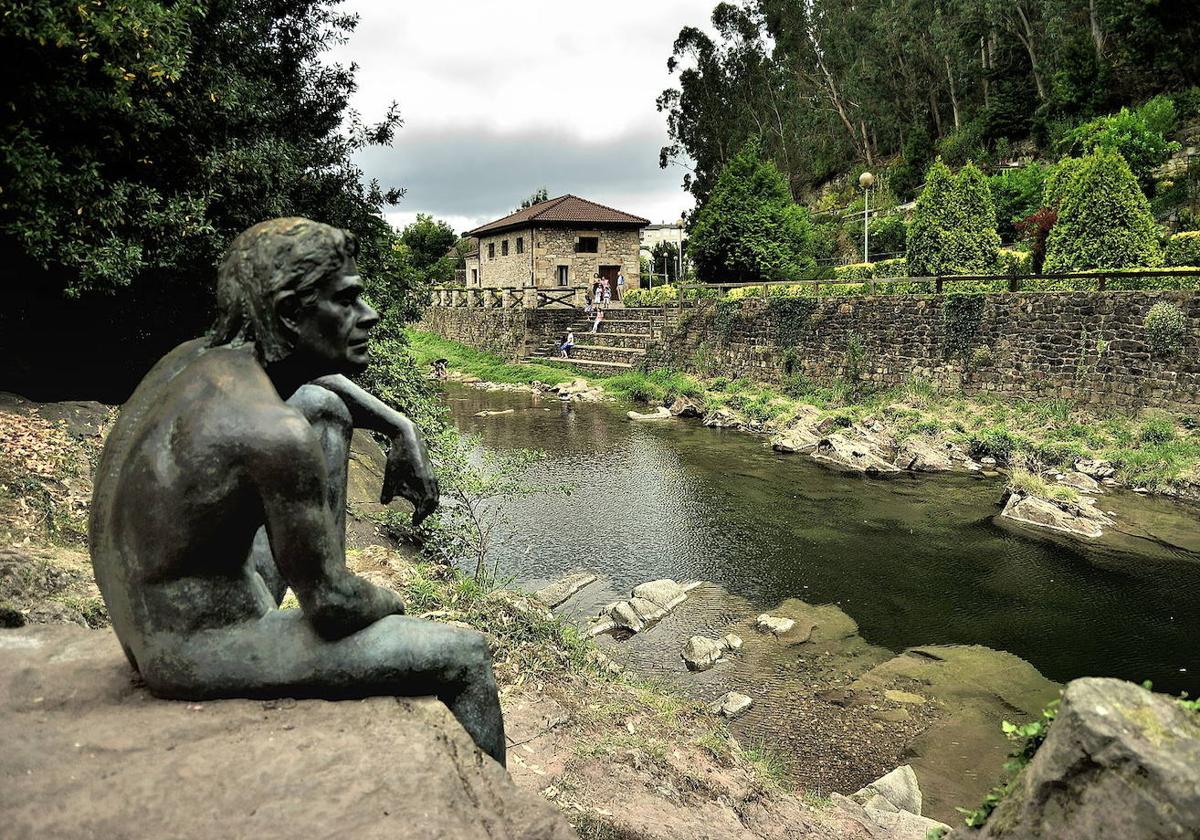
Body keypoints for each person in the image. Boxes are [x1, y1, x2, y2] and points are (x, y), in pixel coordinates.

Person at [88, 217, 506, 766]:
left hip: (149, 615)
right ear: (290, 313)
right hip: (195, 647)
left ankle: (319, 569)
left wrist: (400, 424)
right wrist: (389, 605)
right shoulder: (274, 434)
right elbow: (335, 609)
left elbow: (313, 380)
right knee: (467, 657)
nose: (369, 314)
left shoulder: (194, 359)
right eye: (348, 299)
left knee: (323, 407)